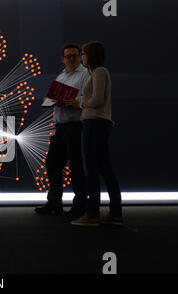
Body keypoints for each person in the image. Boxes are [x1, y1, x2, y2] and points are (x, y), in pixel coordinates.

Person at [35, 44, 89, 220]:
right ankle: (55, 203)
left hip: (76, 125)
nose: (71, 59)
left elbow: (90, 99)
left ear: (80, 57)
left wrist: (76, 101)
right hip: (60, 126)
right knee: (52, 164)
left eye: (74, 55)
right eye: (68, 56)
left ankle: (80, 205)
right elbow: (51, 98)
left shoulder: (86, 75)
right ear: (63, 59)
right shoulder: (61, 76)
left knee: (76, 167)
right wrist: (50, 101)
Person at [71, 41, 123, 227]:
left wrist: (81, 104)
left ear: (91, 55)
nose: (81, 57)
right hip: (95, 123)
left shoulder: (100, 72)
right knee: (104, 168)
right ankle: (115, 213)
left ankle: (92, 213)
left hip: (95, 123)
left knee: (92, 169)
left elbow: (97, 99)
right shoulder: (95, 73)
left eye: (83, 54)